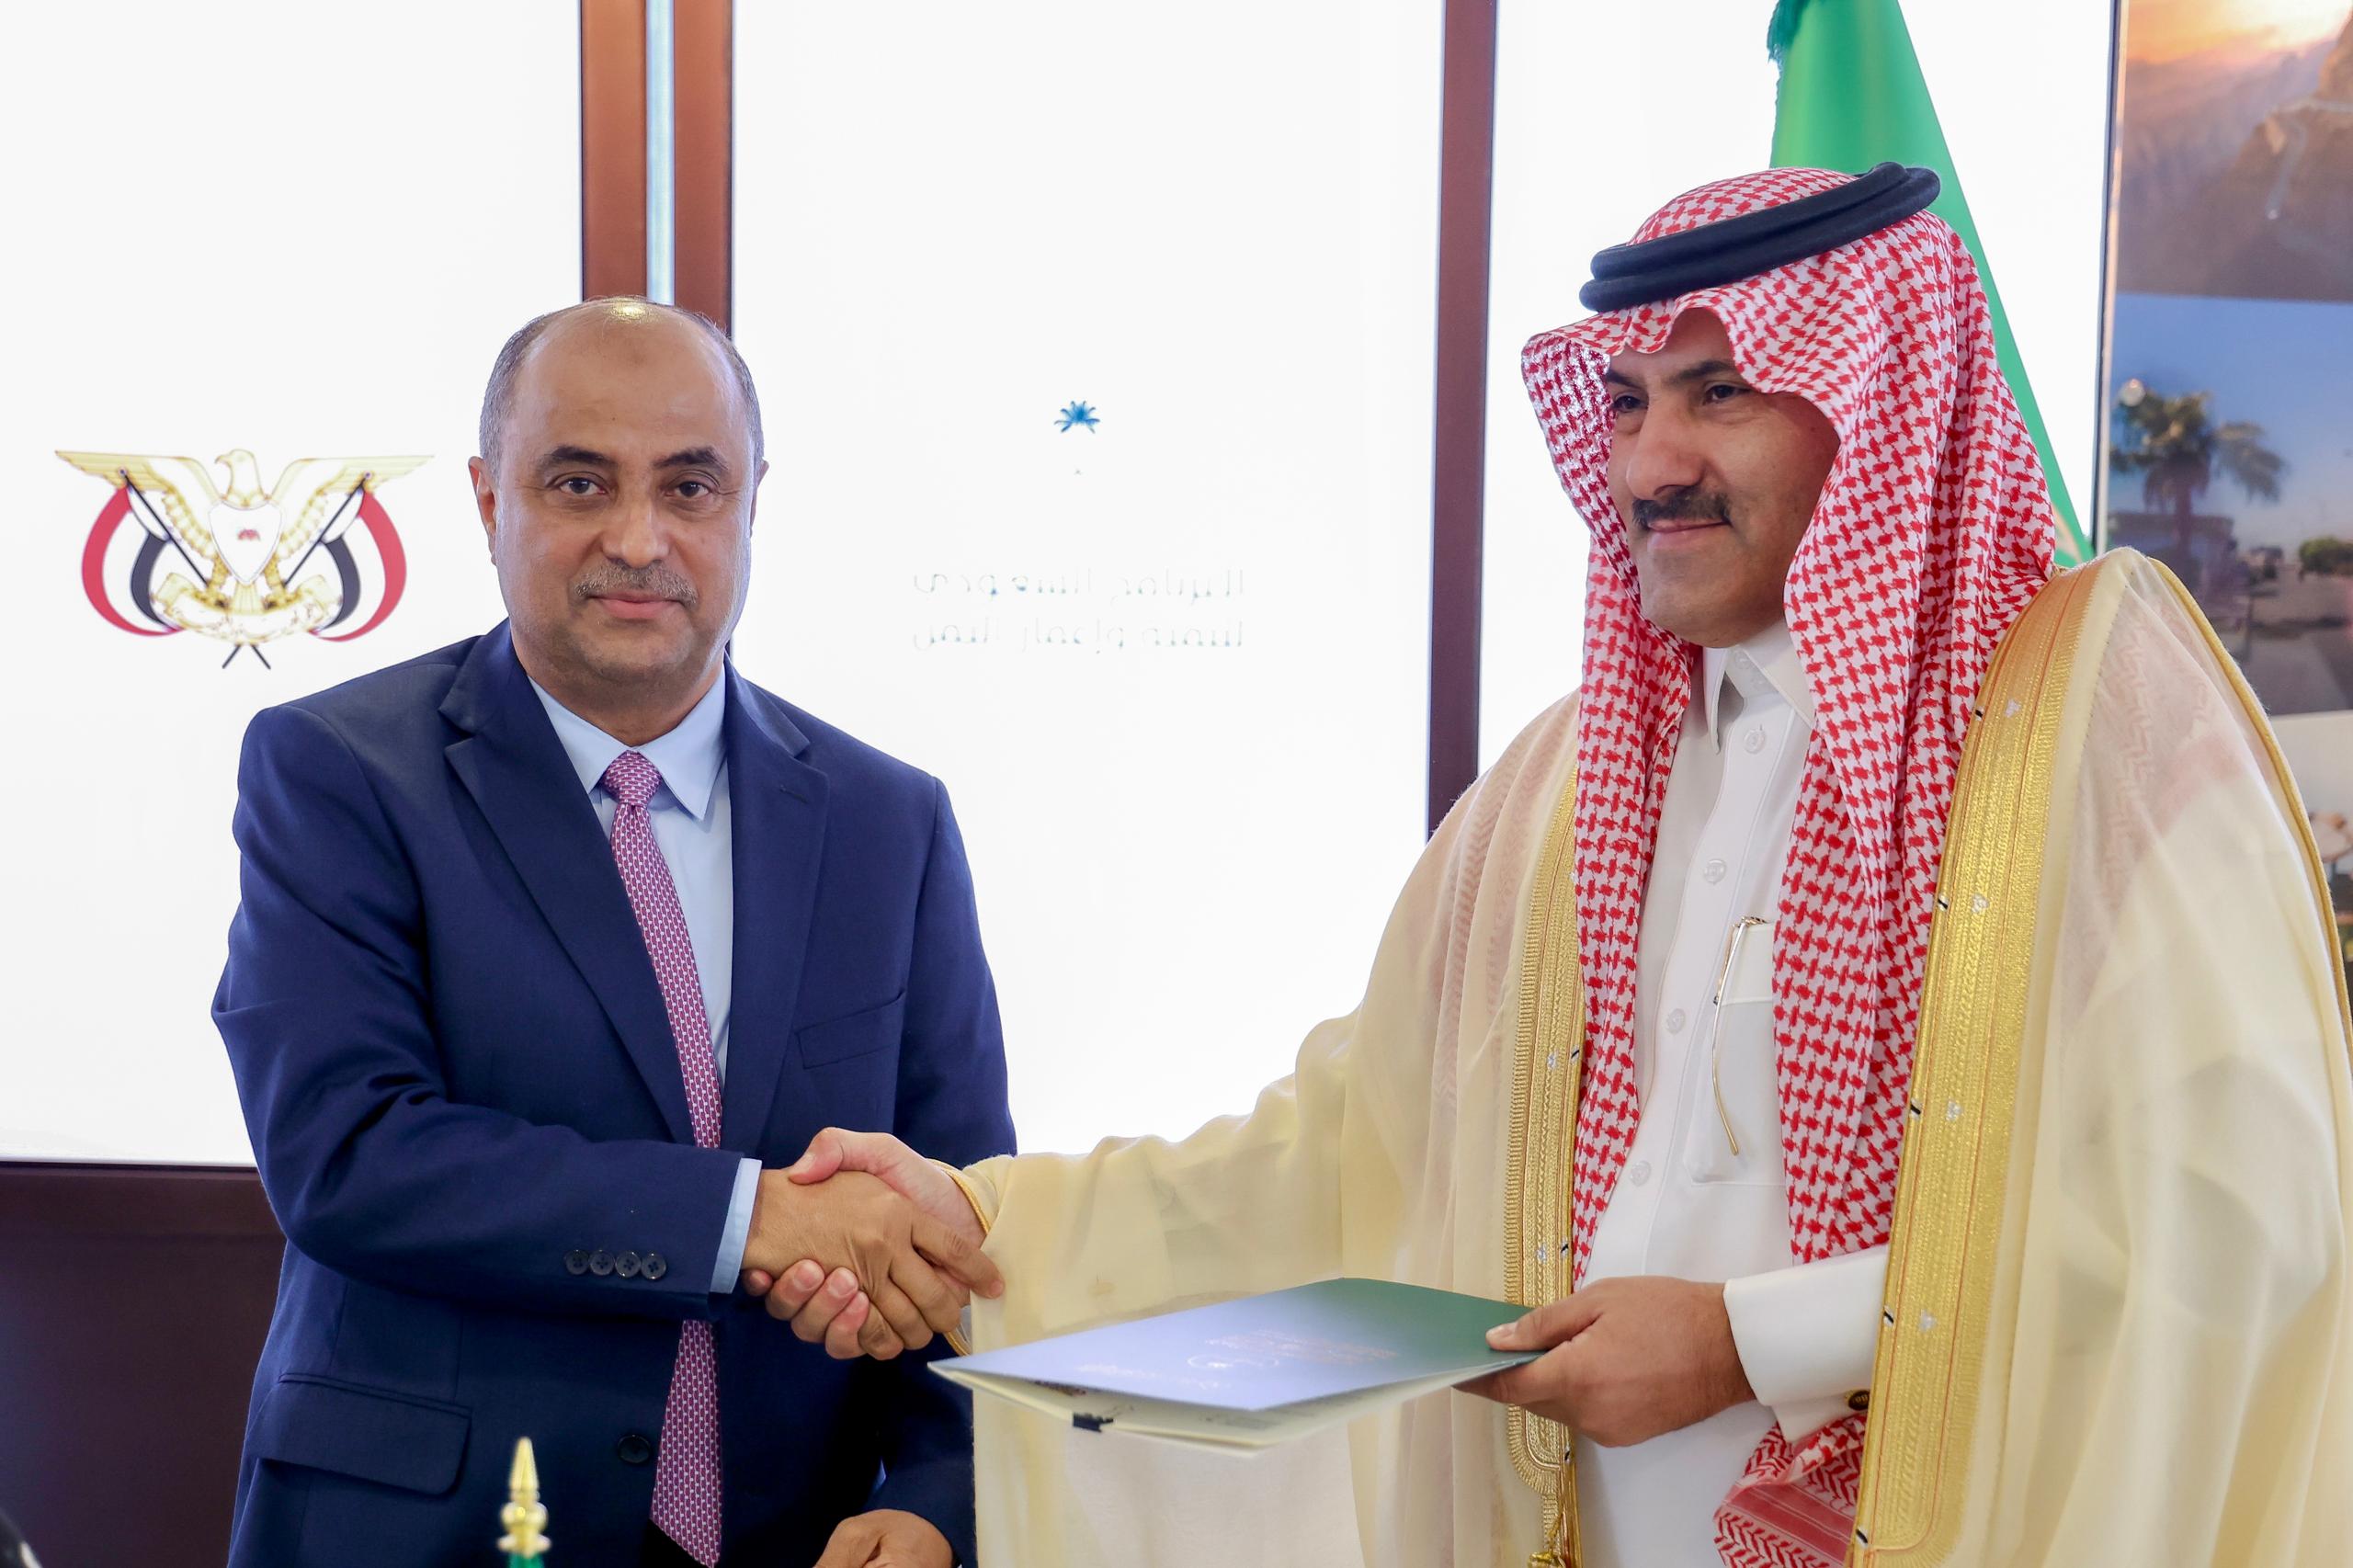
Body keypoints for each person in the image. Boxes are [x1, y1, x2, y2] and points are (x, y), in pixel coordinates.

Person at [760, 166, 2353, 1566]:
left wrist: (1747, 1342)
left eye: (1721, 390)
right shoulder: (1561, 789)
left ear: (1878, 397)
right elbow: (1344, 1142)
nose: (1653, 460)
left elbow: (2231, 1217)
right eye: (1628, 401)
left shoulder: (2101, 743)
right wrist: (981, 1215)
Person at [214, 298, 1015, 1568]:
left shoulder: (887, 821)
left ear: (751, 504)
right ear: (489, 499)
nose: (639, 540)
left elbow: (961, 1209)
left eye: (690, 486)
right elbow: (348, 1153)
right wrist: (750, 1217)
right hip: (430, 1532)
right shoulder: (335, 770)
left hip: (795, 1538)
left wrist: (937, 1495)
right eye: (580, 482)